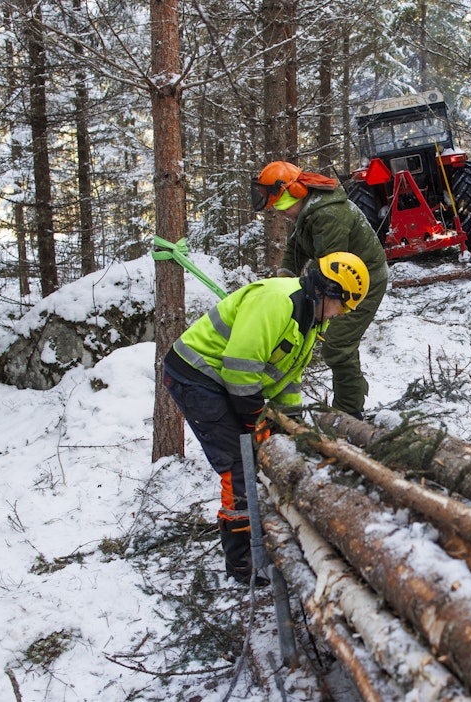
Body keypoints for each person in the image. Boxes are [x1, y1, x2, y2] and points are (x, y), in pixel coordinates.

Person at [162, 252, 370, 585]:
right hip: (196, 375)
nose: (341, 313)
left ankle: (258, 535)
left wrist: (289, 425)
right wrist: (253, 417)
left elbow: (288, 377)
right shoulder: (277, 302)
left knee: (256, 451)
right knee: (237, 464)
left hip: (224, 383)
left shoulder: (312, 318)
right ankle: (242, 561)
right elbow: (240, 365)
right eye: (342, 305)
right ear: (327, 291)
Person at [252, 161, 388, 420]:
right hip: (341, 278)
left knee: (337, 344)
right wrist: (283, 281)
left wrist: (301, 301)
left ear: (298, 193)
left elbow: (329, 271)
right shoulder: (308, 212)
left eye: (282, 207)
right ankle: (350, 400)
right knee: (333, 341)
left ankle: (349, 412)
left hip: (365, 281)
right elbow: (295, 249)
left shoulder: (327, 215)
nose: (282, 214)